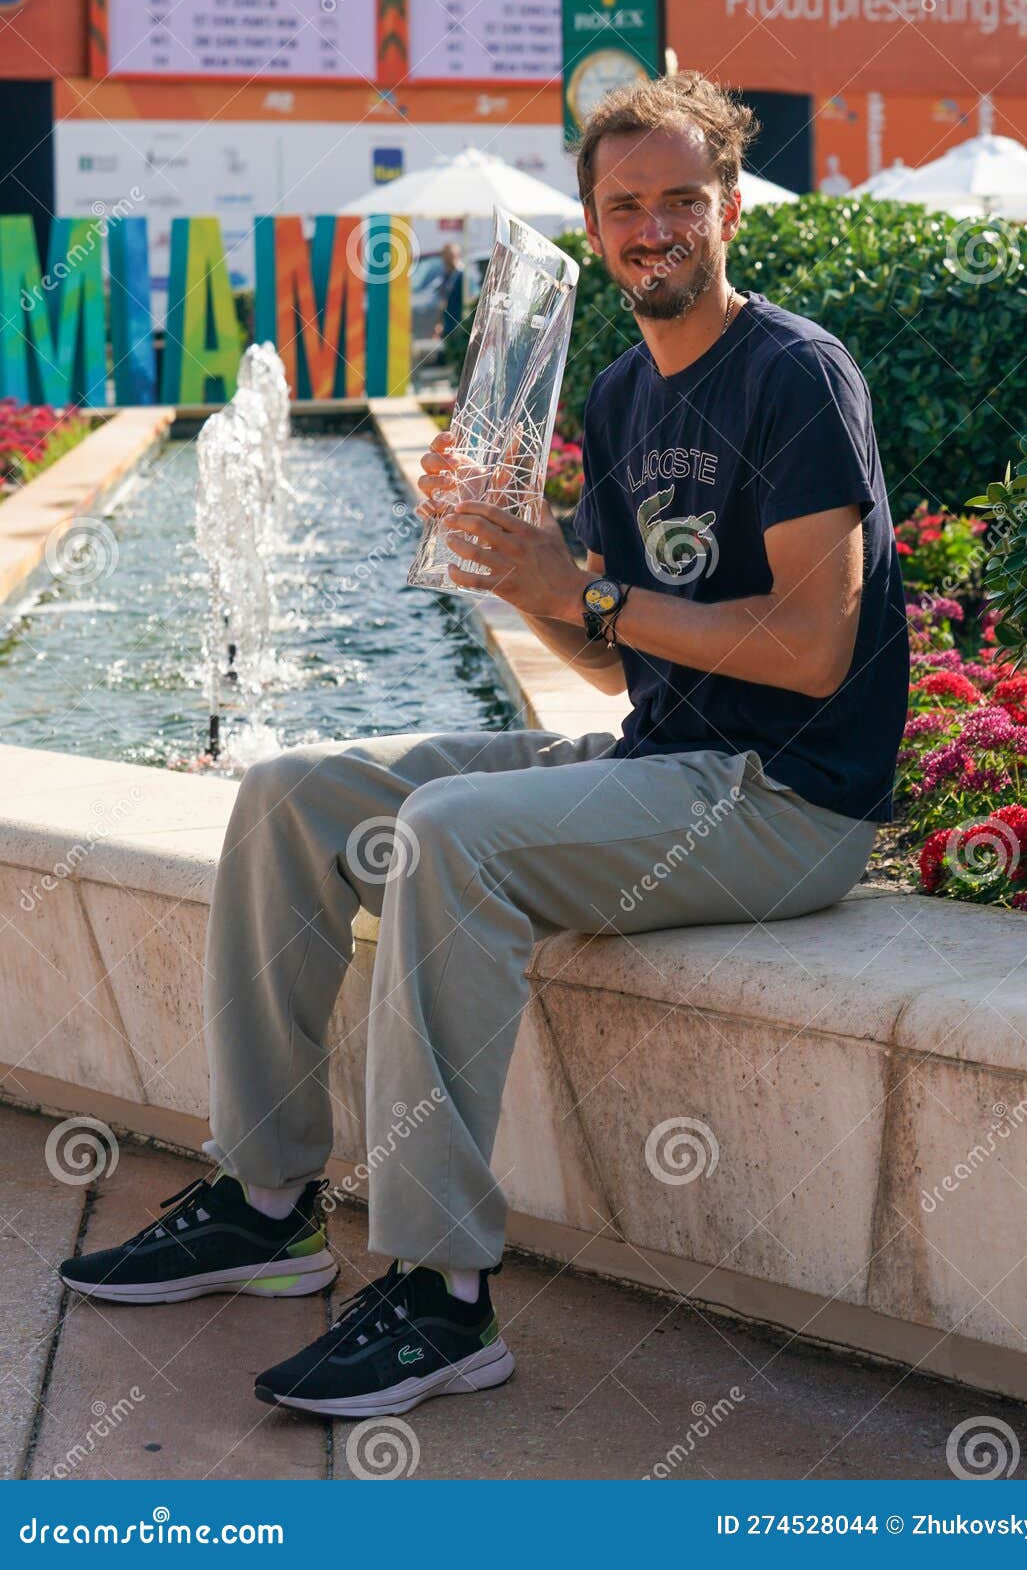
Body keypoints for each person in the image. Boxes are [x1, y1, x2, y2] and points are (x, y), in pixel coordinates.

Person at [60, 71, 909, 1422]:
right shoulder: (625, 394)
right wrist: (522, 571)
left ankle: (441, 1293)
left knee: (448, 839)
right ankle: (268, 1199)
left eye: (679, 200)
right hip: (660, 759)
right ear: (590, 224)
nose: (653, 228)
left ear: (729, 208)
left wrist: (588, 591)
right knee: (290, 795)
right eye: (623, 206)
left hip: (784, 799)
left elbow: (812, 645)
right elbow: (616, 652)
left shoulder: (793, 374)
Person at [433, 242, 465, 341]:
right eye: (444, 258)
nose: (445, 261)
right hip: (448, 326)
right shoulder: (446, 277)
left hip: (459, 325)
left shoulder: (463, 276)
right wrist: (439, 323)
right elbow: (443, 302)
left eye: (448, 257)